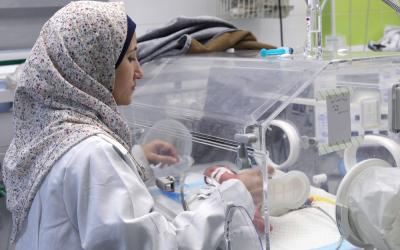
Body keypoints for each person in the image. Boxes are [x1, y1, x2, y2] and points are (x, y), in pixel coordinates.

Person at [1, 1, 263, 249]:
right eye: (130, 58)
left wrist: (135, 160)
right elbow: (158, 245)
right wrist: (233, 198)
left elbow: (79, 203)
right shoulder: (93, 152)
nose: (140, 71)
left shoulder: (50, 130)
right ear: (93, 64)